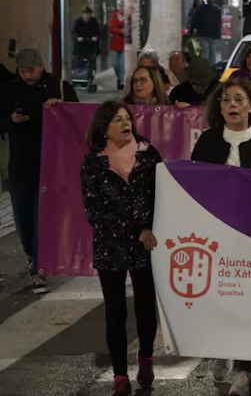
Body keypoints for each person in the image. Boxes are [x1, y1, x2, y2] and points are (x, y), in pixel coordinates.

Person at [191, 79, 251, 396]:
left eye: (238, 99)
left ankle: (245, 371)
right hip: (215, 237)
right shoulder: (206, 142)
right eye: (226, 100)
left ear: (250, 106)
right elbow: (194, 186)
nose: (231, 104)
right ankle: (221, 346)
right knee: (220, 297)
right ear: (219, 107)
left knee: (250, 301)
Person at [80, 102, 161, 396]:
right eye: (118, 119)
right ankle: (119, 375)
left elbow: (162, 196)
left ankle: (147, 357)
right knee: (115, 311)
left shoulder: (149, 156)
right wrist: (135, 230)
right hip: (110, 246)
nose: (126, 123)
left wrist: (149, 227)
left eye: (128, 118)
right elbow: (95, 211)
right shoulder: (92, 164)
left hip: (147, 243)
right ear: (104, 128)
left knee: (145, 307)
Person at [0, 47, 79, 292]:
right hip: (20, 165)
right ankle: (32, 255)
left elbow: (78, 120)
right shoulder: (10, 89)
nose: (27, 75)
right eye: (22, 71)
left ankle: (39, 265)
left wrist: (61, 108)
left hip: (52, 164)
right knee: (23, 217)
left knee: (41, 216)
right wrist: (10, 121)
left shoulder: (59, 87)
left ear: (41, 66)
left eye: (31, 70)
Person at [193, 0, 223, 64]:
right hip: (214, 35)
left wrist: (193, 30)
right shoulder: (218, 10)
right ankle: (212, 67)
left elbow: (195, 21)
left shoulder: (201, 10)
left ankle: (204, 66)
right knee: (213, 52)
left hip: (203, 34)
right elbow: (219, 22)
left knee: (204, 51)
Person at [108, 3, 126, 90]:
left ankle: (122, 82)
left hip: (124, 44)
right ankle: (119, 77)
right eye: (121, 6)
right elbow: (111, 28)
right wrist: (120, 31)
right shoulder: (114, 15)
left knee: (122, 64)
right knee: (115, 64)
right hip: (115, 43)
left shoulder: (128, 16)